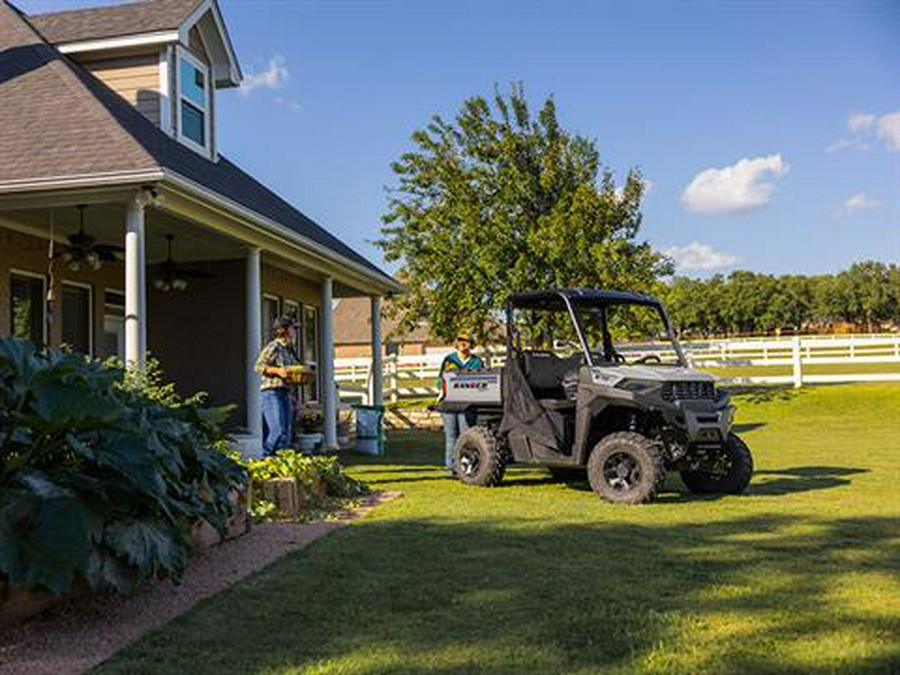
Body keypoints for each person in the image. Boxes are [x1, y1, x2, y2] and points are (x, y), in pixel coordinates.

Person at [437, 330, 484, 475]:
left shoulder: (477, 361)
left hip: (467, 403)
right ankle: (452, 468)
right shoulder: (449, 360)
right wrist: (441, 391)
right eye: (460, 340)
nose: (463, 343)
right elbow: (440, 380)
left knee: (466, 436)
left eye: (467, 340)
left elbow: (482, 380)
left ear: (471, 344)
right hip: (449, 402)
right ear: (456, 343)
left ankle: (466, 467)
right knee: (451, 436)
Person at [255, 315, 300, 456]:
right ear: (283, 330)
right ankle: (264, 459)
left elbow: (292, 371)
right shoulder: (274, 346)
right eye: (293, 328)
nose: (295, 331)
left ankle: (279, 465)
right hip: (271, 393)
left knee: (286, 433)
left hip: (285, 392)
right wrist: (278, 371)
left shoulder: (289, 349)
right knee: (277, 431)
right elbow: (258, 366)